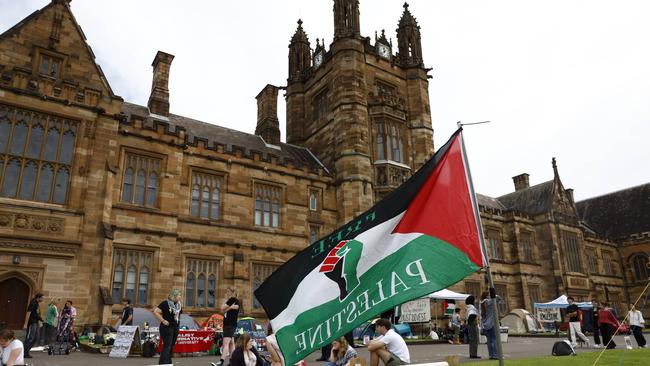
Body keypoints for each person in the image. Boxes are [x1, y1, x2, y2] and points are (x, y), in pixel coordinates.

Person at [154, 288, 182, 365]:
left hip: (175, 327)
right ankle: (164, 362)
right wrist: (163, 320)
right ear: (174, 295)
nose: (180, 296)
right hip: (166, 327)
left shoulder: (178, 305)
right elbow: (156, 311)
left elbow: (178, 316)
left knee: (171, 345)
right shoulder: (165, 303)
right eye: (179, 295)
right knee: (167, 345)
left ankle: (168, 362)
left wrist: (178, 324)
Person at [220, 287, 240, 366]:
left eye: (228, 291)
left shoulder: (232, 300)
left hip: (229, 325)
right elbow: (222, 310)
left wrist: (228, 307)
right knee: (231, 343)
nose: (227, 293)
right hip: (230, 324)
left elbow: (222, 308)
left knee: (226, 344)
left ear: (232, 292)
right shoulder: (233, 301)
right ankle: (232, 362)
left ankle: (221, 361)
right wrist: (230, 307)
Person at [22, 292, 43, 359]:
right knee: (30, 338)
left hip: (35, 322)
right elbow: (28, 313)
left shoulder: (36, 303)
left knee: (35, 338)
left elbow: (36, 314)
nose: (43, 299)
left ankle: (26, 351)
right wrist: (25, 324)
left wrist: (40, 320)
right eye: (42, 298)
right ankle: (24, 353)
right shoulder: (33, 303)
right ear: (38, 297)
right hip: (31, 323)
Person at [480, 292, 498, 360]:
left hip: (485, 323)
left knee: (489, 340)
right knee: (494, 339)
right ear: (487, 296)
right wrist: (493, 294)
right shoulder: (488, 302)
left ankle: (491, 355)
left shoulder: (481, 303)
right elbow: (498, 298)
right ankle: (495, 355)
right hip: (491, 323)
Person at [465, 295, 480, 359]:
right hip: (473, 324)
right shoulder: (472, 307)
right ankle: (474, 354)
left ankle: (472, 354)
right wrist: (473, 321)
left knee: (472, 340)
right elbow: (472, 315)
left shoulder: (468, 307)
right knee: (475, 339)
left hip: (470, 325)